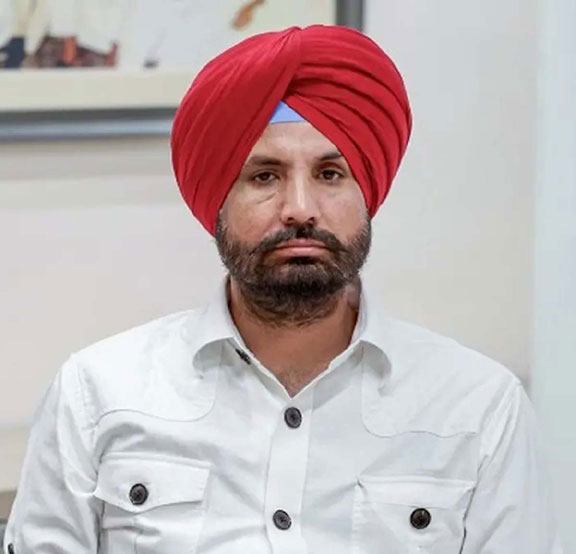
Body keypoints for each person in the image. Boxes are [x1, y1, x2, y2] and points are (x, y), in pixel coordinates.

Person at [3, 25, 564, 554]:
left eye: (329, 174)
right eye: (264, 176)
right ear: (217, 202)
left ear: (367, 194)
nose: (299, 208)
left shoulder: (478, 409)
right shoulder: (98, 394)